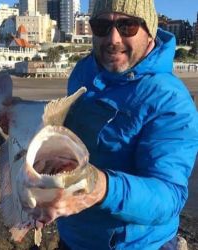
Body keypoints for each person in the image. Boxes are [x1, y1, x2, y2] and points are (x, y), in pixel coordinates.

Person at [22, 0, 198, 249]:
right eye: (102, 25)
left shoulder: (169, 100)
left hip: (137, 244)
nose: (113, 38)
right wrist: (18, 115)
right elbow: (64, 130)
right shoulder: (85, 71)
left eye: (128, 26)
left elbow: (169, 196)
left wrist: (99, 186)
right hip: (73, 236)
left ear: (150, 32)